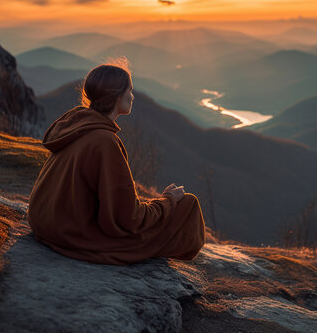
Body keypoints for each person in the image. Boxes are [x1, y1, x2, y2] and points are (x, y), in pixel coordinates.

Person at [27, 60, 205, 265]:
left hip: (46, 223)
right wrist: (168, 200)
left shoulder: (76, 124)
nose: (132, 96)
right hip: (73, 234)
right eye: (130, 90)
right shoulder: (104, 141)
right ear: (117, 95)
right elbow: (129, 219)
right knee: (188, 204)